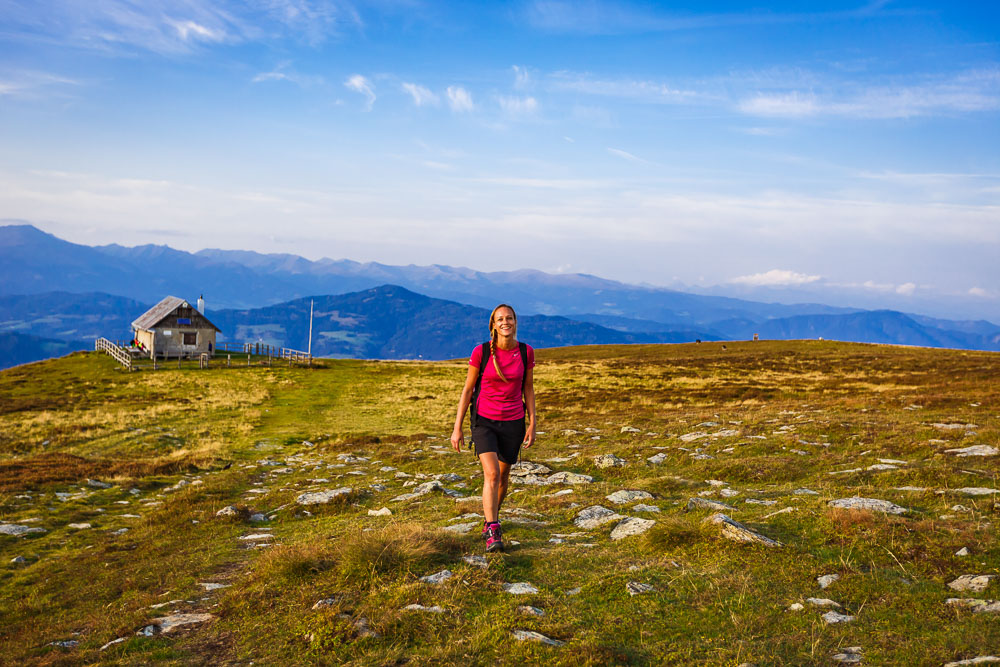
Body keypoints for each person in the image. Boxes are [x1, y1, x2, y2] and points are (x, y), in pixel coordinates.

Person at [451, 304, 536, 553]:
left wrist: (533, 422)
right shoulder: (481, 352)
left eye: (509, 318)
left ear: (515, 322)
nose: (505, 322)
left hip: (513, 422)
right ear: (493, 325)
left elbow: (528, 388)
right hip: (484, 421)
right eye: (500, 319)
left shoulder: (525, 352)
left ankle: (490, 517)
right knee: (492, 475)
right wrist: (457, 428)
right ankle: (493, 528)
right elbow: (467, 390)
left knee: (503, 477)